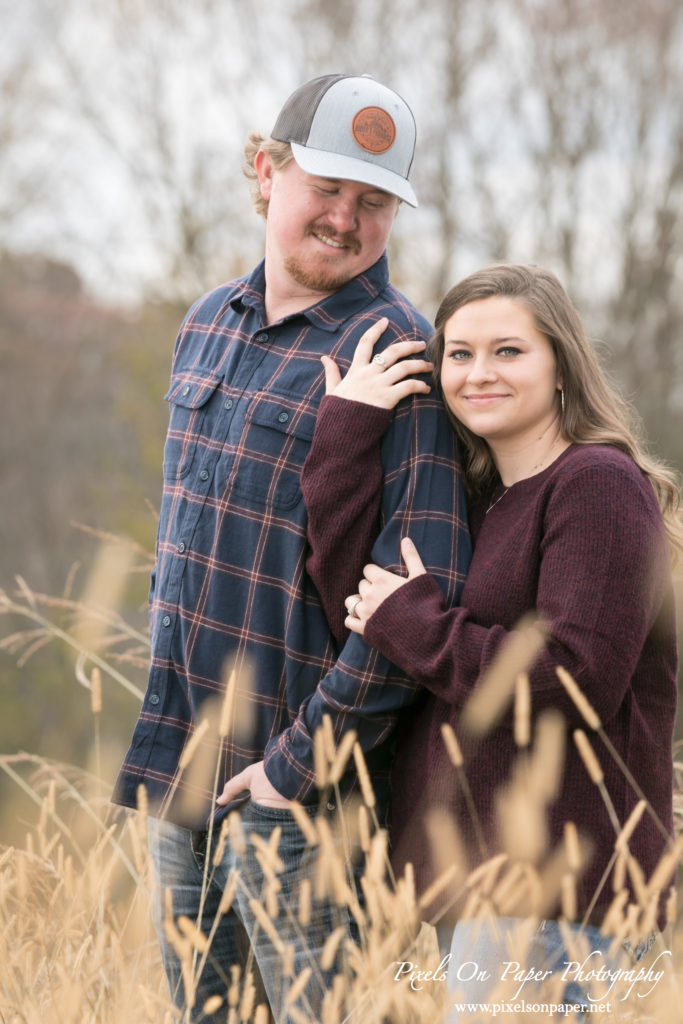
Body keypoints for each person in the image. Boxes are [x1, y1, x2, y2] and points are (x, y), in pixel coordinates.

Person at [111, 74, 471, 1023]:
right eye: (327, 188)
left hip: (308, 804)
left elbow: (416, 597)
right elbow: (186, 544)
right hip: (186, 773)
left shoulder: (401, 361)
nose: (345, 220)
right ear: (264, 172)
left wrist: (294, 768)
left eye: (374, 202)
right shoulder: (203, 326)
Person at [301, 263, 680, 1013]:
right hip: (472, 881)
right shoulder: (480, 501)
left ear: (561, 367)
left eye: (508, 351)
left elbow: (572, 677)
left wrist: (412, 622)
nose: (478, 374)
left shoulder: (595, 484)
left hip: (555, 884)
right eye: (459, 353)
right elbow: (359, 601)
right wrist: (347, 428)